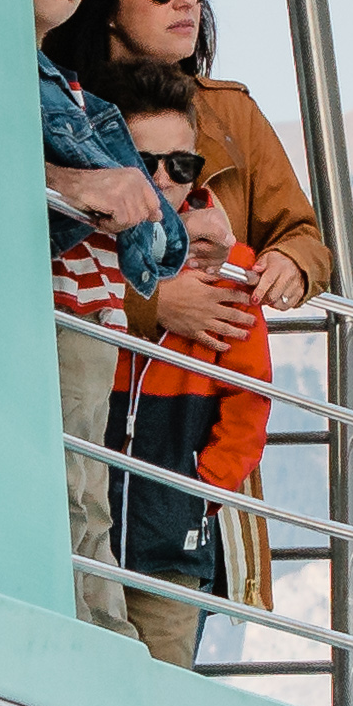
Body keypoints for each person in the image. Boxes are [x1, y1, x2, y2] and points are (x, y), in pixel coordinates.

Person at [51, 0, 334, 619]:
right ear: (105, 0)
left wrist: (286, 268)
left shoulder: (229, 114)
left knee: (172, 616)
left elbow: (303, 234)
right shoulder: (65, 105)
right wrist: (155, 302)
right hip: (90, 397)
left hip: (195, 419)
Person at [29, 0, 173, 639]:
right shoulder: (22, 79)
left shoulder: (66, 84)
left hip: (96, 305)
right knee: (72, 475)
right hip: (61, 300)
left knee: (87, 475)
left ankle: (101, 621)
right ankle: (99, 630)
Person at [108, 89, 276, 670]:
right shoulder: (91, 248)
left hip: (172, 537)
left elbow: (250, 401)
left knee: (161, 690)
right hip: (88, 523)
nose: (163, 178)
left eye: (181, 165)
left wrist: (201, 490)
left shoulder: (234, 270)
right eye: (143, 160)